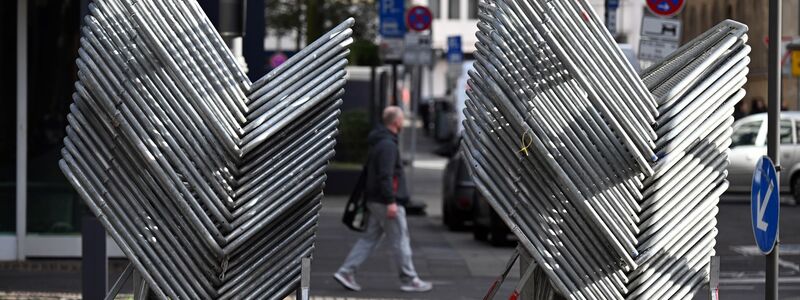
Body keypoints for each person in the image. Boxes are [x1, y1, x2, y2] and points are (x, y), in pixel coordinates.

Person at [333, 106, 433, 293]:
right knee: (401, 240)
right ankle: (410, 279)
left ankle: (346, 272)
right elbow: (386, 176)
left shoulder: (380, 142)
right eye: (402, 119)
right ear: (396, 122)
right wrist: (391, 202)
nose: (402, 122)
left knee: (369, 239)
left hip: (375, 200)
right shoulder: (388, 145)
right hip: (386, 202)